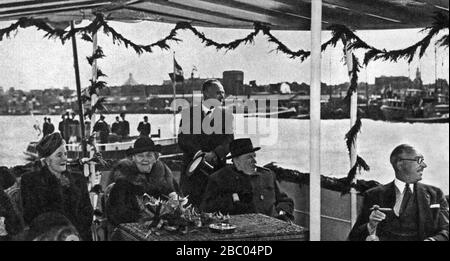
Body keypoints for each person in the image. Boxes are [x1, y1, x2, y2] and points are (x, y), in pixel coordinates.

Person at [348, 144, 449, 241]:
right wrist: (371, 225)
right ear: (400, 164)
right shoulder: (373, 195)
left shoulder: (435, 195)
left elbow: (447, 231)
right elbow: (354, 237)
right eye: (419, 160)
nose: (424, 165)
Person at [20, 132, 93, 241]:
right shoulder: (31, 181)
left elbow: (87, 213)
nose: (64, 159)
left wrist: (74, 234)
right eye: (59, 155)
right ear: (47, 160)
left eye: (65, 154)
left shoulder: (78, 179)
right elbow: (31, 216)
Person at [201, 138, 294, 221]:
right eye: (249, 157)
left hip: (272, 226)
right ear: (236, 160)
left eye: (254, 156)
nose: (255, 161)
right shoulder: (219, 178)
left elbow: (285, 200)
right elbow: (207, 208)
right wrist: (234, 198)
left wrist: (282, 213)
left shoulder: (267, 175)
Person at [178, 79, 234, 208]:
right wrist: (200, 154)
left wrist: (215, 153)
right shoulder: (188, 113)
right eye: (219, 92)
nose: (223, 96)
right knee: (191, 209)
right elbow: (183, 139)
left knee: (216, 208)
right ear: (206, 93)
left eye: (223, 92)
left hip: (217, 172)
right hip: (192, 173)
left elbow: (229, 140)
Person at [106, 136, 181, 226]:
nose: (145, 159)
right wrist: (144, 220)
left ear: (155, 158)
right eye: (140, 156)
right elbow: (117, 214)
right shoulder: (123, 180)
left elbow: (178, 201)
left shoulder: (164, 176)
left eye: (149, 155)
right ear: (133, 158)